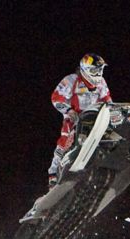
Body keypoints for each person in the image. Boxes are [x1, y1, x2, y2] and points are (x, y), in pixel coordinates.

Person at [47, 53, 112, 188]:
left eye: (100, 70)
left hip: (96, 119)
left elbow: (108, 101)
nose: (98, 74)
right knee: (65, 141)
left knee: (110, 135)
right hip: (75, 118)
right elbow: (56, 98)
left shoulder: (101, 83)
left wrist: (112, 114)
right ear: (85, 70)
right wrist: (69, 111)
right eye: (95, 71)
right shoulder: (71, 80)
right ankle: (53, 174)